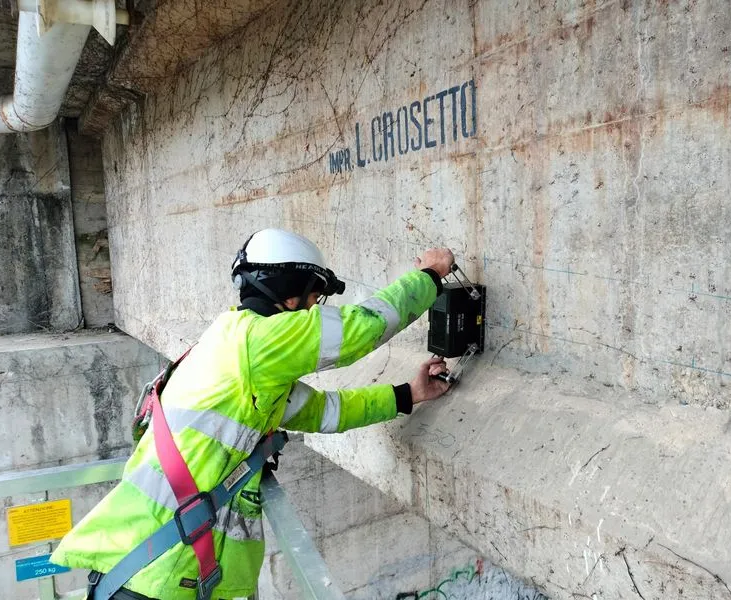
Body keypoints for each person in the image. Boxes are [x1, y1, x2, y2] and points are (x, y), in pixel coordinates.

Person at [51, 228, 455, 600]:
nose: (315, 308)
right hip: (157, 576)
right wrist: (428, 278)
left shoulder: (238, 354)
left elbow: (320, 412)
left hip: (144, 571)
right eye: (315, 296)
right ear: (292, 293)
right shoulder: (259, 341)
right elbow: (360, 329)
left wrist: (407, 394)